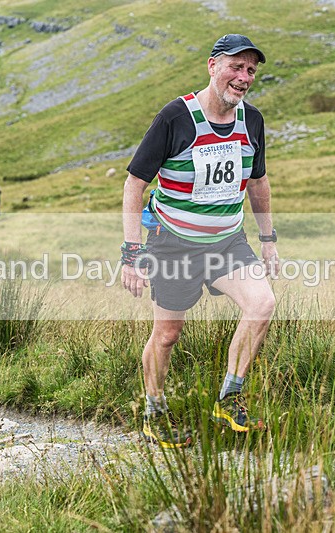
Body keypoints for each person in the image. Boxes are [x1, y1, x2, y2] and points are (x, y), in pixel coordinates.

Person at [121, 34, 278, 448]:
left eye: (251, 71)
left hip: (227, 242)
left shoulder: (252, 121)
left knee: (262, 304)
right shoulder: (177, 116)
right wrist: (131, 253)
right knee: (168, 333)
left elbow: (257, 182)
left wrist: (268, 239)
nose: (243, 78)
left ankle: (229, 398)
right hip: (174, 243)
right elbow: (135, 183)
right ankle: (154, 412)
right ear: (212, 66)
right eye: (236, 67)